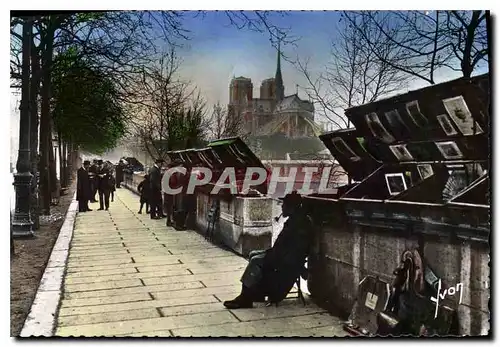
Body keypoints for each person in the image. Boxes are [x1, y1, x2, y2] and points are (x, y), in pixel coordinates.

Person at [223, 191, 313, 309]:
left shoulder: (298, 224)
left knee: (255, 260)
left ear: (291, 207)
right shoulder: (295, 221)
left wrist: (270, 256)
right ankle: (254, 292)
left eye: (284, 205)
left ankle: (245, 297)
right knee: (253, 254)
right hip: (280, 255)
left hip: (284, 260)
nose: (282, 207)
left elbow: (292, 251)